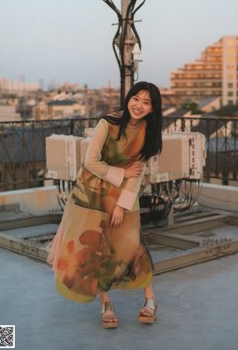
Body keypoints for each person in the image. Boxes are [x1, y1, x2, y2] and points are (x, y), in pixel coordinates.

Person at [47, 81, 163, 329]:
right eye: (136, 98)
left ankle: (150, 299)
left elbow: (137, 174)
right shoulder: (108, 123)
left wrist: (122, 205)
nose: (139, 105)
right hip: (92, 194)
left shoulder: (147, 133)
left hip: (122, 197)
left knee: (131, 245)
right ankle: (106, 302)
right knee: (95, 249)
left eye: (146, 102)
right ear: (128, 99)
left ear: (153, 109)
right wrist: (121, 172)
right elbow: (91, 162)